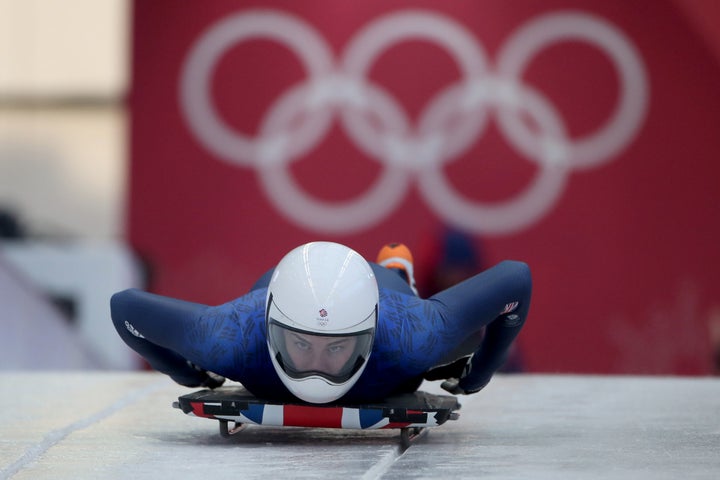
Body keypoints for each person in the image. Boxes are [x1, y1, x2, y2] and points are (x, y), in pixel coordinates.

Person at [111, 241, 531, 404]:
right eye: (300, 345)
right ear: (272, 329)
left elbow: (516, 278)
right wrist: (182, 370)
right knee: (416, 366)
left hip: (392, 298)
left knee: (425, 350)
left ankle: (398, 273)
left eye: (336, 348)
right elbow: (124, 307)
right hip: (265, 295)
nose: (316, 367)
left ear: (367, 338)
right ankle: (395, 269)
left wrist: (186, 373)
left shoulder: (411, 334)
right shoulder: (230, 335)